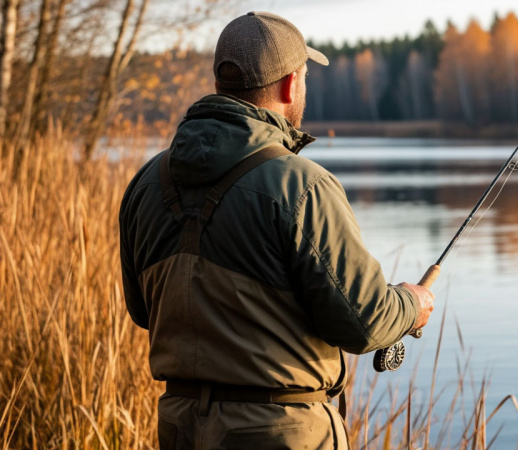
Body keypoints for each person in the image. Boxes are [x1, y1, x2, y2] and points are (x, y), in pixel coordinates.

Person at [119, 11, 435, 449]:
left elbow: (142, 311)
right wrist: (411, 304)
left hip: (181, 429)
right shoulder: (302, 186)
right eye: (305, 75)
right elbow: (365, 322)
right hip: (281, 435)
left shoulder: (147, 182)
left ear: (221, 82)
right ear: (290, 85)